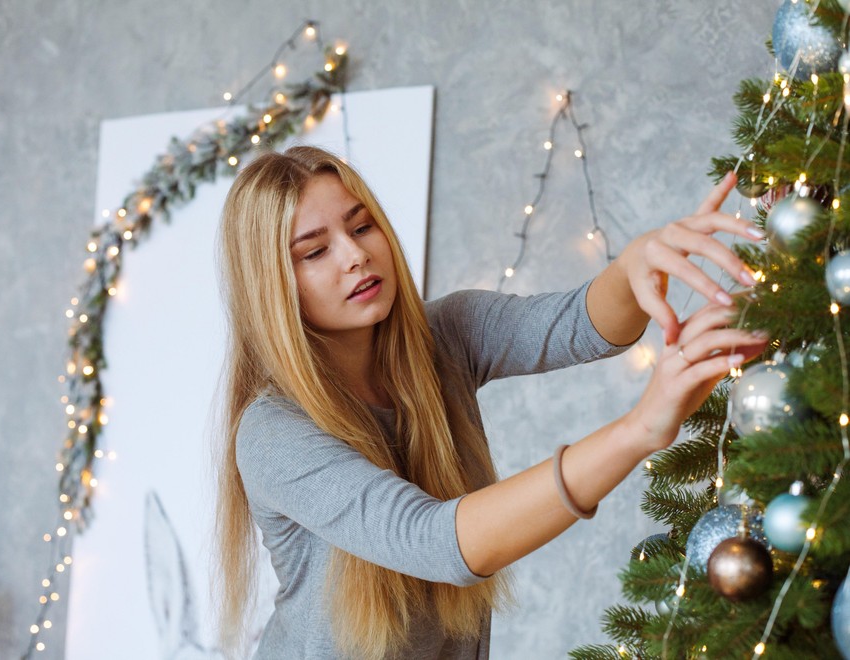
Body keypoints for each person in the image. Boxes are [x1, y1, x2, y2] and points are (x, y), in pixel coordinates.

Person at [215, 145, 768, 659]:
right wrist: (640, 430)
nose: (356, 254)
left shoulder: (446, 333)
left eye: (362, 226)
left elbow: (581, 324)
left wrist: (636, 264)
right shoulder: (272, 432)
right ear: (273, 287)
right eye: (315, 251)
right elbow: (434, 539)